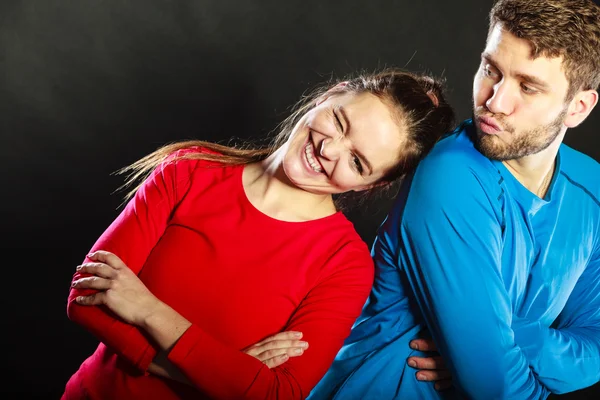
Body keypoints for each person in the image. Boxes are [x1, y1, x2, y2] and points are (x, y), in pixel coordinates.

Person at [61, 67, 455, 399]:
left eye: (357, 161)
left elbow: (277, 393)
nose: (329, 151)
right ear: (329, 96)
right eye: (339, 122)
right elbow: (86, 299)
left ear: (369, 185)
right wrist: (221, 370)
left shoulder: (345, 265)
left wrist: (148, 310)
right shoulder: (188, 172)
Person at [309, 0, 600, 399]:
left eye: (527, 86)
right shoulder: (449, 174)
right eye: (490, 70)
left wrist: (505, 336)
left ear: (578, 108)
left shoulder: (592, 188)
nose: (494, 101)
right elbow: (494, 389)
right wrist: (501, 353)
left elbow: (595, 348)